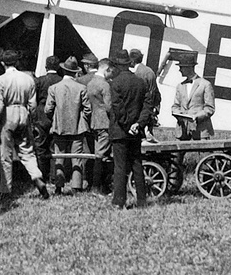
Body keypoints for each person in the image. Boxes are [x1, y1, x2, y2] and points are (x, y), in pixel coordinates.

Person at [0, 49, 52, 200]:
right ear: (16, 62)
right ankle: (37, 177)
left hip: (8, 114)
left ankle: (5, 189)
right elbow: (32, 104)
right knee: (27, 151)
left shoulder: (0, 81)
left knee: (6, 155)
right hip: (23, 114)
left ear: (3, 63)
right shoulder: (28, 79)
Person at [107, 49, 156, 209]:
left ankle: (119, 201)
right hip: (135, 131)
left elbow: (117, 107)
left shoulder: (115, 83)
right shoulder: (140, 82)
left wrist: (128, 125)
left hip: (121, 131)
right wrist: (138, 125)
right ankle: (142, 200)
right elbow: (147, 105)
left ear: (116, 66)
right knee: (137, 164)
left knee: (120, 167)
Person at [44, 55, 92, 193]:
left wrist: (55, 118)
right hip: (77, 127)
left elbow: (48, 109)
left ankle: (59, 186)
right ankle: (76, 187)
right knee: (76, 157)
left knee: (59, 156)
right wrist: (82, 119)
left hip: (59, 127)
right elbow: (88, 109)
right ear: (75, 72)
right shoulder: (81, 88)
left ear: (63, 71)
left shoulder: (54, 88)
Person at [81, 55, 113, 193]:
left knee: (97, 153)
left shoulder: (91, 83)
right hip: (105, 122)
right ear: (107, 69)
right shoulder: (105, 84)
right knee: (101, 155)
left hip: (94, 121)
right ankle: (97, 187)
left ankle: (96, 185)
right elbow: (109, 106)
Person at [170, 55, 216, 140]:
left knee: (204, 153)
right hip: (182, 130)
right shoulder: (180, 86)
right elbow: (175, 106)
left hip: (201, 130)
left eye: (181, 67)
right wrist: (178, 114)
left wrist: (196, 117)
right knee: (174, 153)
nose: (179, 70)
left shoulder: (205, 84)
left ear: (189, 68)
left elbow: (210, 108)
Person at [33, 54, 61, 187]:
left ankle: (42, 176)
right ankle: (55, 177)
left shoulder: (39, 81)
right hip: (57, 115)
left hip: (41, 116)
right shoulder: (61, 81)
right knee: (55, 148)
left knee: (41, 147)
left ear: (46, 67)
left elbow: (34, 99)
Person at [128, 48, 161, 137]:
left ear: (132, 60)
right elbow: (155, 92)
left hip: (141, 111)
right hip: (149, 109)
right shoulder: (149, 71)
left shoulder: (137, 73)